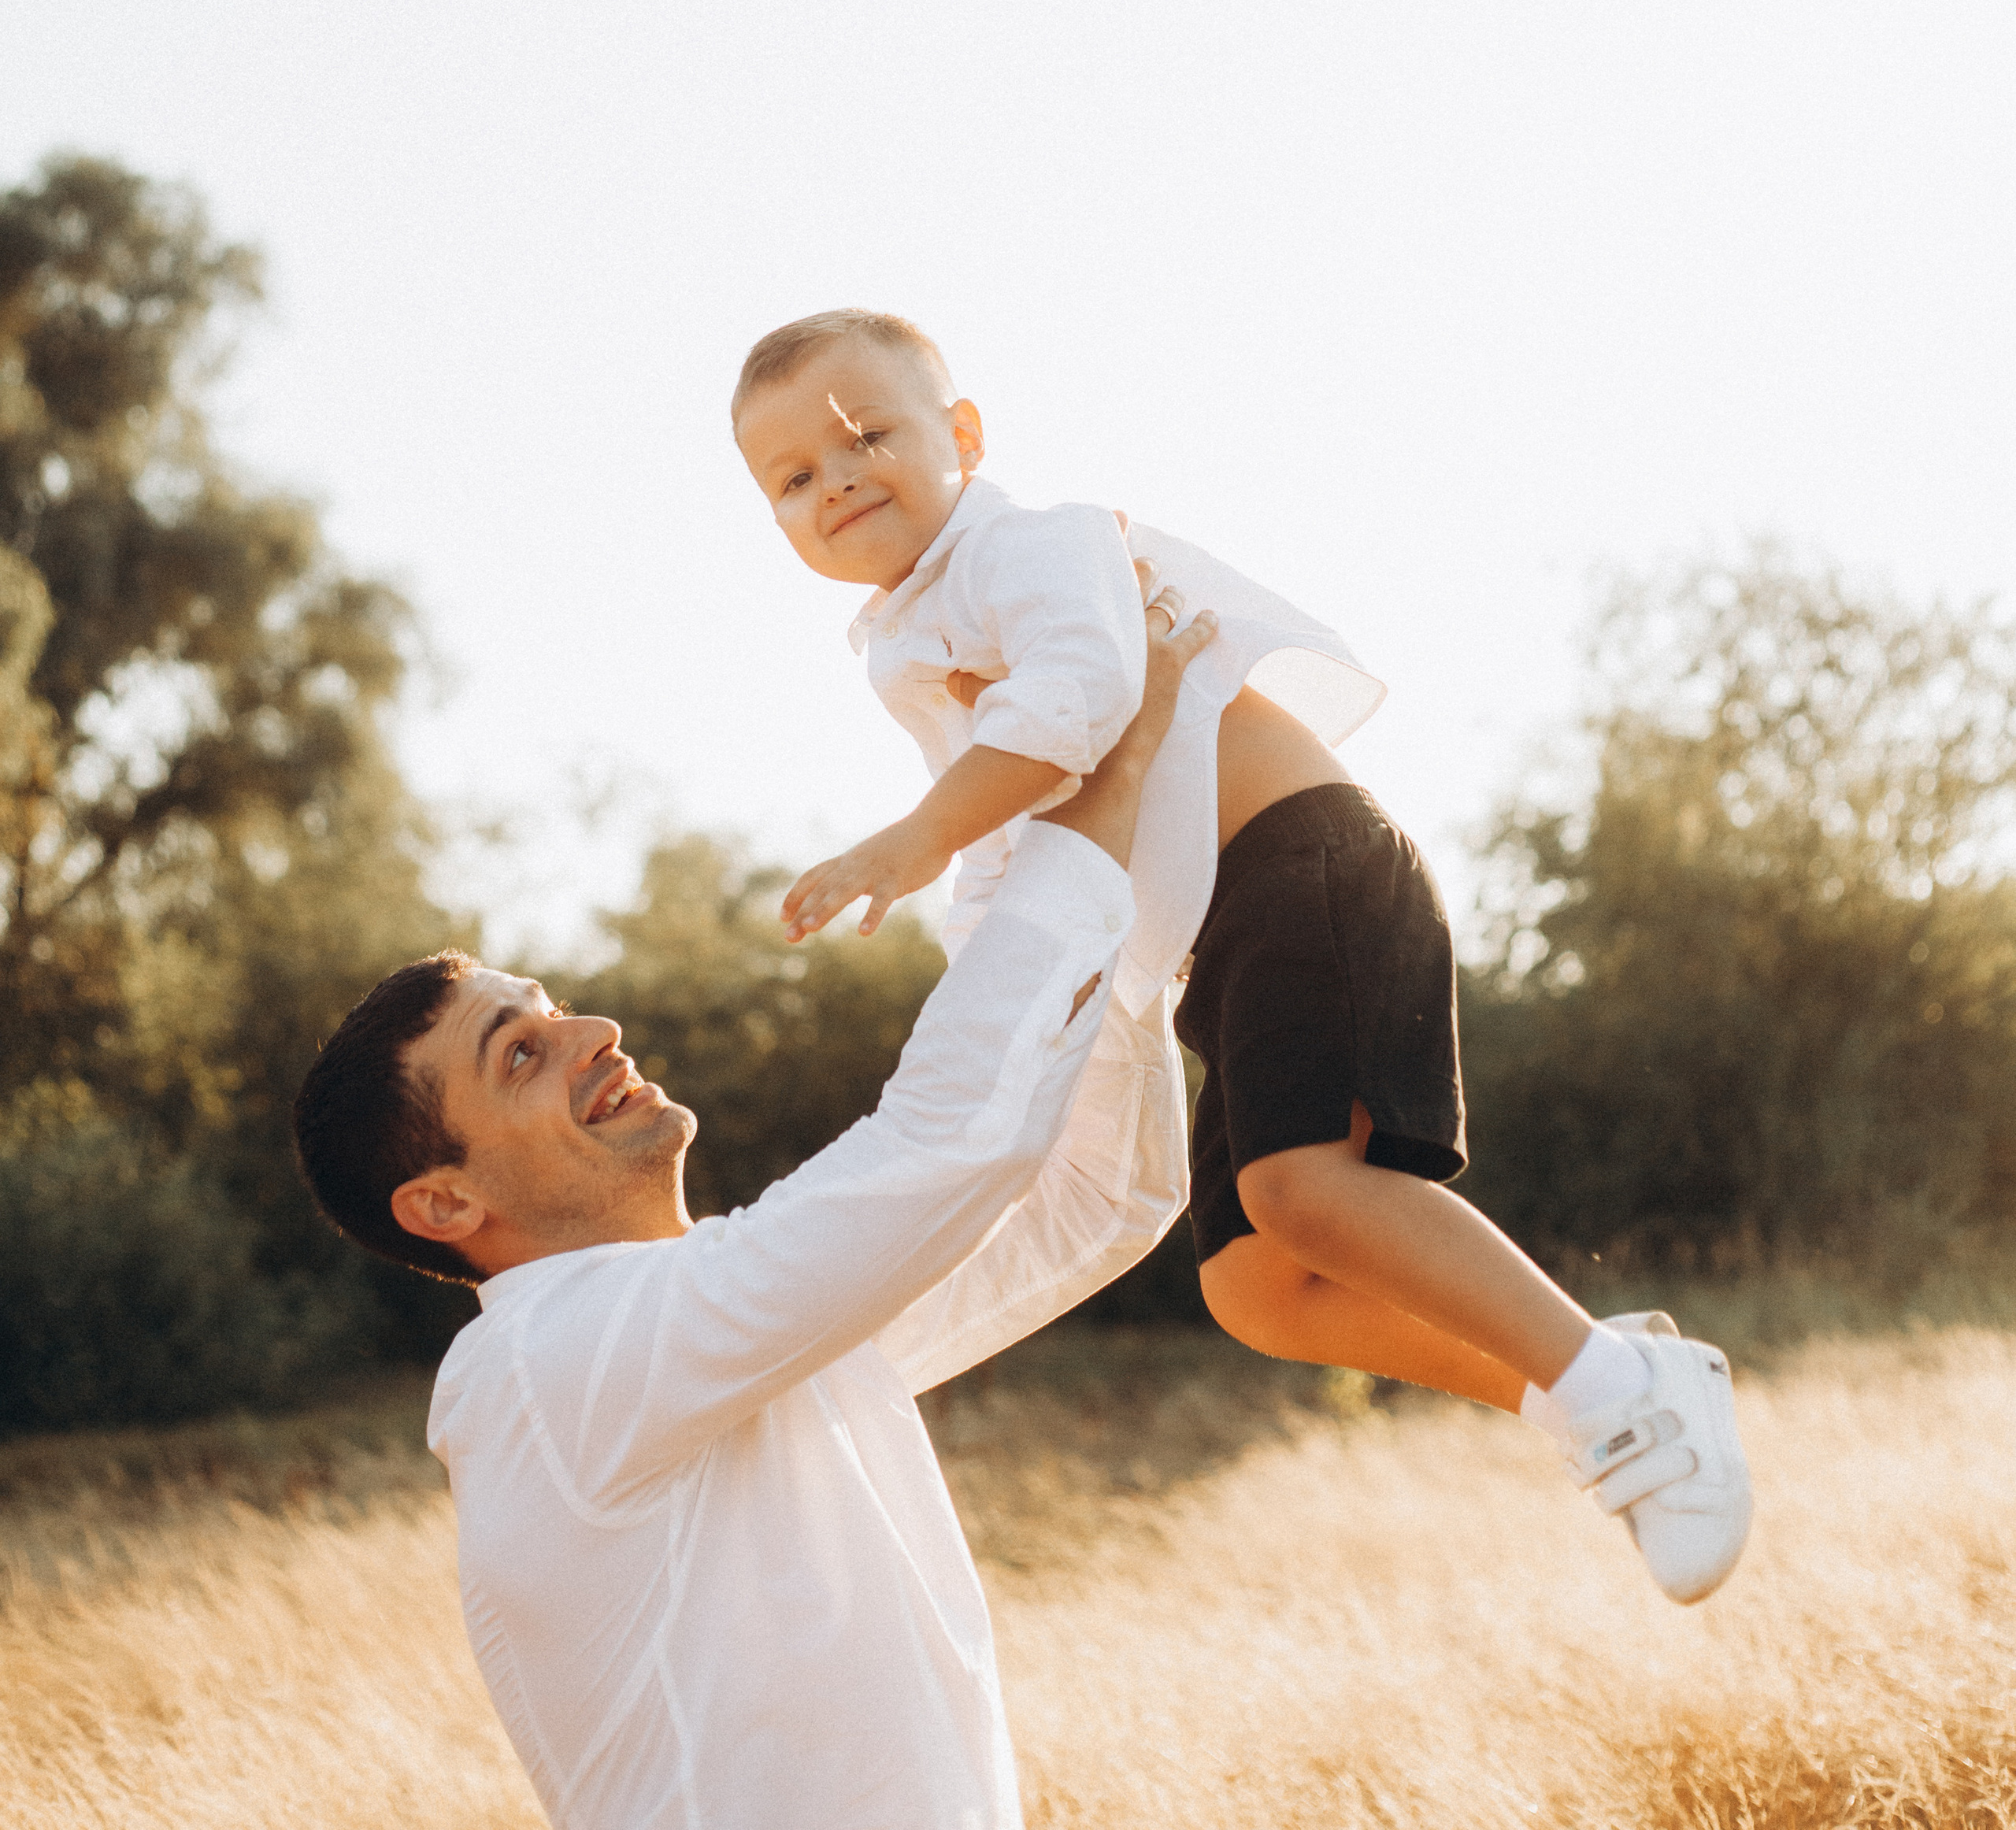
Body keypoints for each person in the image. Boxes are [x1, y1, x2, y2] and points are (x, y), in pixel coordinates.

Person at [732, 306, 1753, 1606]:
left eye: (867, 436)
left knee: (1300, 1191)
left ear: (964, 437)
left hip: (1300, 856)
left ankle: (1631, 1398)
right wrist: (994, 999)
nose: (841, 481)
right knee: (1262, 1289)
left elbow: (1089, 691)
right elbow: (1020, 847)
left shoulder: (1031, 548)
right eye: (796, 480)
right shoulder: (905, 637)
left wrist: (914, 839)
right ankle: (1582, 1374)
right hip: (1220, 941)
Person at [291, 579, 1210, 1830]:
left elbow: (1097, 1196)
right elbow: (946, 1144)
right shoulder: (551, 1370)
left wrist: (1021, 810)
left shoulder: (725, 1342)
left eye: (560, 1011)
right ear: (444, 1202)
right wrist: (1113, 758)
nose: (595, 1035)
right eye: (521, 1053)